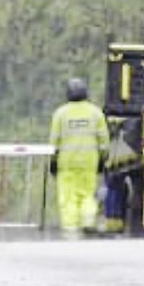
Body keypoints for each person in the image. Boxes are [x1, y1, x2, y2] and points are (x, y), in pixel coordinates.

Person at [49, 77, 109, 238]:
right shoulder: (95, 113)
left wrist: (53, 162)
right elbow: (104, 141)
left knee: (68, 197)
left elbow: (54, 141)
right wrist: (103, 159)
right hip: (89, 162)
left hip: (66, 164)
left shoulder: (60, 113)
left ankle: (70, 228)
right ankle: (88, 222)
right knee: (87, 194)